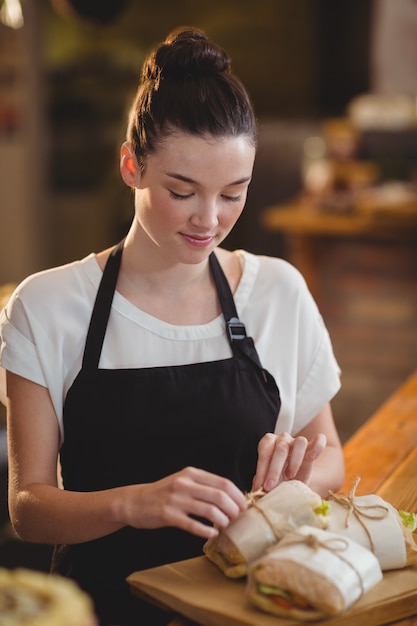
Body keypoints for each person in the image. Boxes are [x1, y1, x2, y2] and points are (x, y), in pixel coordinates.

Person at [0, 26, 345, 626]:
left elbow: (333, 457)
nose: (208, 220)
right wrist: (137, 503)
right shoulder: (47, 305)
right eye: (182, 191)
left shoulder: (279, 292)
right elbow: (30, 508)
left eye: (234, 194)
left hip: (250, 606)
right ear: (132, 165)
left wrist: (290, 485)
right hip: (103, 608)